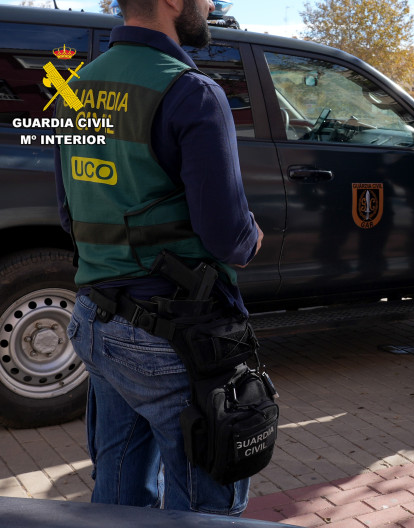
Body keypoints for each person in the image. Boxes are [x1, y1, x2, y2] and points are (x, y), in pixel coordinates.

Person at [53, 0, 263, 514]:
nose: (210, 5)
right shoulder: (192, 92)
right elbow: (228, 236)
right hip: (172, 337)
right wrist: (253, 237)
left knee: (119, 494)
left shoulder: (72, 91)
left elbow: (68, 213)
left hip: (95, 321)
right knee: (207, 503)